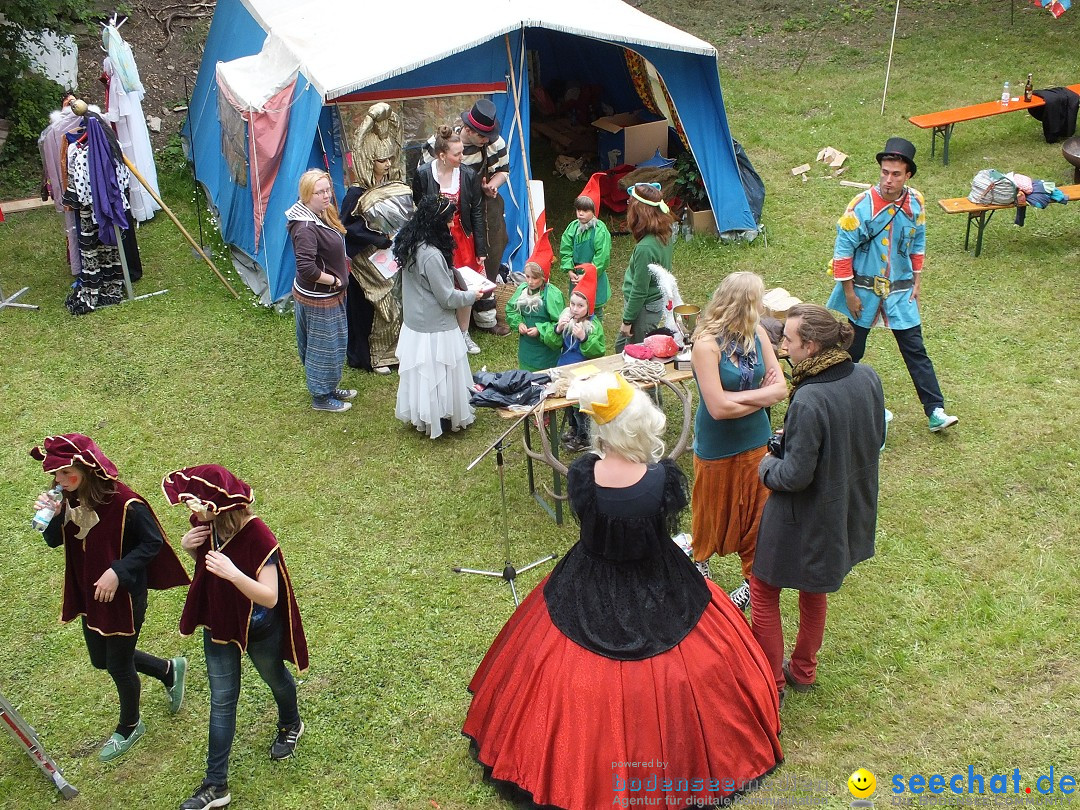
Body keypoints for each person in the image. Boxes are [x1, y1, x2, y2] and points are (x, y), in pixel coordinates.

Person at [463, 373, 782, 810]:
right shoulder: (664, 479)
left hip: (589, 580)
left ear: (600, 430)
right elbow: (664, 529)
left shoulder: (582, 477)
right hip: (661, 582)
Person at [750, 304, 885, 704]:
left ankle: (771, 681)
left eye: (789, 341)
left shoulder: (809, 399)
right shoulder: (868, 377)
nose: (784, 347)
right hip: (842, 509)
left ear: (809, 346)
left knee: (763, 590)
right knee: (814, 589)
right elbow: (874, 437)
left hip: (799, 516)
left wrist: (767, 464)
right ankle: (804, 669)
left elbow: (793, 476)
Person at [30, 434, 189, 762]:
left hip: (124, 597)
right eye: (55, 475)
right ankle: (168, 670)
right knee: (101, 659)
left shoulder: (125, 503)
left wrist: (118, 570)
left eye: (63, 473)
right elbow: (53, 542)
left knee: (117, 663)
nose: (57, 481)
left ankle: (130, 725)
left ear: (85, 469)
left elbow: (152, 543)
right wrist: (54, 514)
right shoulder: (69, 499)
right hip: (90, 593)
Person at [161, 465, 309, 810]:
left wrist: (234, 573)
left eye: (199, 508)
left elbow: (269, 597)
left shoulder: (259, 536)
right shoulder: (206, 528)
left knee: (275, 678)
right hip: (220, 623)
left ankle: (291, 722)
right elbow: (206, 568)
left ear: (221, 509)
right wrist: (189, 548)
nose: (193, 514)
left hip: (259, 627)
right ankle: (216, 785)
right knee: (222, 699)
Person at [826, 136, 958, 433]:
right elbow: (842, 253)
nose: (888, 179)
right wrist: (848, 294)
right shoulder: (860, 206)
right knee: (851, 352)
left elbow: (918, 241)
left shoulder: (916, 202)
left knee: (915, 350)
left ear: (907, 175)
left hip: (900, 289)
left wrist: (918, 281)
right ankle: (834, 404)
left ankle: (935, 410)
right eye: (885, 172)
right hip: (862, 290)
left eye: (896, 174)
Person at [689, 272, 788, 610]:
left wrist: (743, 400)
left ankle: (751, 582)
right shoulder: (705, 345)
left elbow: (782, 389)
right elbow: (717, 409)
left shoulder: (758, 334)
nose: (763, 308)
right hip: (717, 447)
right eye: (758, 302)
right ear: (743, 305)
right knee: (711, 515)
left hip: (757, 442)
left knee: (759, 517)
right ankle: (699, 567)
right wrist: (762, 396)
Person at [394, 194, 483, 438]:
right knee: (441, 375)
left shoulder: (411, 243)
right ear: (436, 223)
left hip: (415, 323)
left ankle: (423, 415)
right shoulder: (431, 255)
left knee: (424, 376)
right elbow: (447, 298)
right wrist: (473, 296)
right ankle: (441, 417)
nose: (452, 225)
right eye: (448, 221)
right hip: (436, 326)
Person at [340, 104, 413, 375]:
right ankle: (369, 357)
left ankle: (392, 352)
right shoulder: (355, 193)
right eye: (383, 161)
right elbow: (347, 227)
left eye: (390, 160)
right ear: (370, 161)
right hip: (365, 264)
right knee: (369, 309)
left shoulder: (389, 185)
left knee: (394, 305)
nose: (388, 164)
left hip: (388, 262)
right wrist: (377, 238)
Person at [285, 169, 357, 413]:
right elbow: (306, 268)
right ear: (307, 195)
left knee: (334, 344)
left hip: (326, 295)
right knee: (322, 347)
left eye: (328, 190)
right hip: (320, 298)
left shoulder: (319, 213)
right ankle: (320, 397)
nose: (327, 196)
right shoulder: (305, 227)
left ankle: (329, 386)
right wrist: (335, 281)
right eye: (320, 192)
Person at [413, 126, 487, 354]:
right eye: (457, 154)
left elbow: (476, 210)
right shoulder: (424, 173)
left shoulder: (468, 175)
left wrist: (481, 247)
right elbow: (419, 207)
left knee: (464, 284)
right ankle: (442, 333)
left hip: (462, 238)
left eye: (462, 152)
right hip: (435, 239)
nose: (461, 157)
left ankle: (463, 333)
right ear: (441, 155)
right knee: (437, 285)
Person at [422, 98, 510, 283]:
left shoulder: (495, 143)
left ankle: (486, 292)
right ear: (468, 130)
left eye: (489, 136)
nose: (487, 140)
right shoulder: (438, 144)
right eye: (482, 136)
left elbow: (503, 171)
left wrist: (492, 185)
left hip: (482, 203)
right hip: (448, 209)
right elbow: (424, 177)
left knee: (491, 246)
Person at [616, 182, 676, 353]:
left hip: (643, 308)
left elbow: (640, 289)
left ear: (638, 212)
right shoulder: (665, 232)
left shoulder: (644, 249)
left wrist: (627, 321)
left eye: (629, 204)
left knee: (633, 354)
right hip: (652, 304)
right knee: (622, 347)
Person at [555, 264, 606, 452]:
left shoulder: (593, 326)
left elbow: (598, 350)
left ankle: (584, 436)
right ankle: (574, 429)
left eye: (580, 306)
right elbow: (554, 342)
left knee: (580, 407)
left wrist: (584, 338)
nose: (575, 309)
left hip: (584, 373)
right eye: (572, 304)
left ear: (589, 306)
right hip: (566, 369)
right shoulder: (567, 319)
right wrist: (558, 329)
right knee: (569, 405)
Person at [505, 260, 564, 371]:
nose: (530, 281)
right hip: (526, 349)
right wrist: (519, 323)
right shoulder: (522, 290)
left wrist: (540, 330)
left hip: (546, 352)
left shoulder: (552, 295)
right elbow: (511, 310)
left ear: (543, 277)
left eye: (535, 278)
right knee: (526, 376)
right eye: (527, 276)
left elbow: (559, 324)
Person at [558, 195, 611, 316]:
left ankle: (595, 330)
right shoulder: (572, 227)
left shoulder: (600, 230)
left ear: (593, 212)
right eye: (578, 210)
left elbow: (602, 256)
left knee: (595, 306)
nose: (580, 214)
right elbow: (565, 249)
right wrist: (569, 270)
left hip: (594, 274)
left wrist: (589, 275)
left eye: (585, 210)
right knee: (578, 304)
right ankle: (579, 330)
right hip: (576, 275)